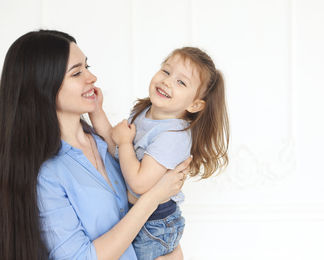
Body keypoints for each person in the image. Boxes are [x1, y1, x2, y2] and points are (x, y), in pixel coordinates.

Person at [0, 29, 190, 260]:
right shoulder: (46, 174)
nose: (91, 78)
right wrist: (153, 198)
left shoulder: (106, 143)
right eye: (76, 73)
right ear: (44, 86)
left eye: (87, 67)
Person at [89, 47, 230, 259]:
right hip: (137, 215)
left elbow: (138, 183)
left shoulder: (173, 135)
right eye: (166, 71)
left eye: (181, 82)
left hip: (154, 225)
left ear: (195, 105)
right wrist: (96, 110)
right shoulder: (144, 113)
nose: (167, 81)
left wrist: (126, 143)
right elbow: (116, 147)